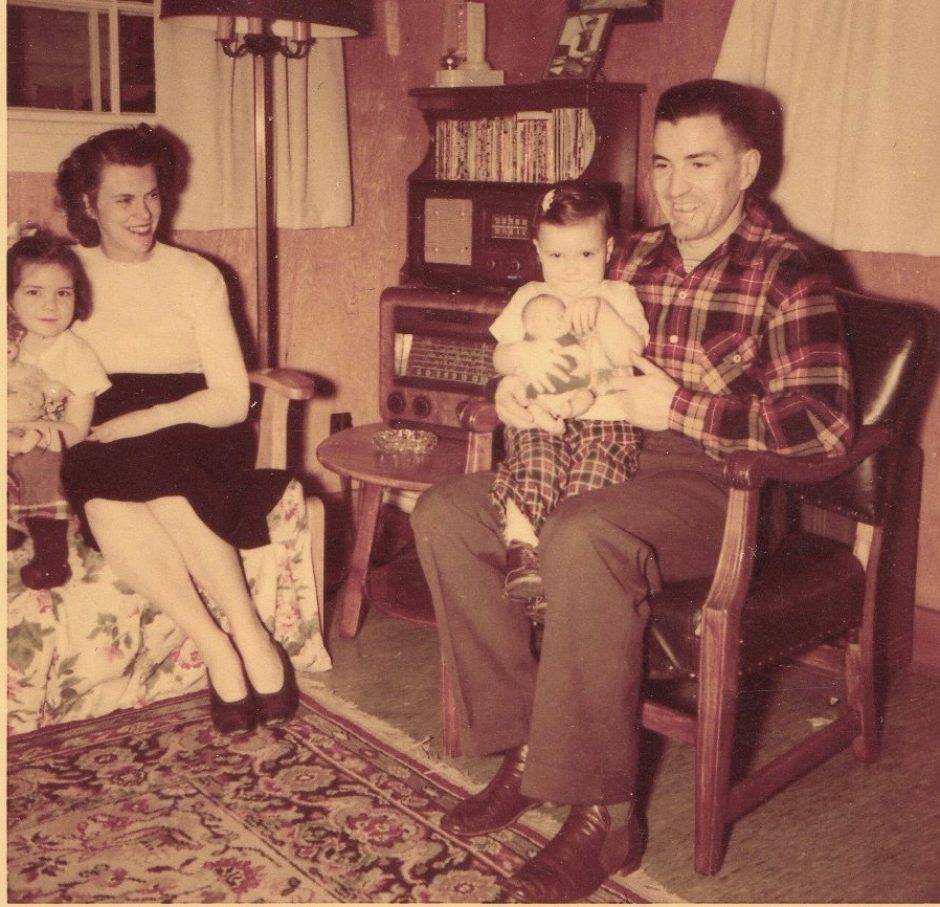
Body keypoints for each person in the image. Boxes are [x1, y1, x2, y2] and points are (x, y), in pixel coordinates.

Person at [411, 78, 854, 902]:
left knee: (581, 533)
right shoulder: (632, 252)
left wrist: (679, 405)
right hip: (592, 447)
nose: (675, 185)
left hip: (713, 483)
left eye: (699, 163)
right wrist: (514, 389)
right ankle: (528, 750)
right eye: (661, 163)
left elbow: (823, 426)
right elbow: (547, 327)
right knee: (445, 513)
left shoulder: (788, 271)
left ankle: (605, 815)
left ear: (748, 166)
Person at [56, 124, 298, 735]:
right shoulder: (65, 275)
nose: (144, 214)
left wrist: (154, 416)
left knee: (161, 474)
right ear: (88, 205)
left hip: (191, 418)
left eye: (153, 196)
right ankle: (217, 646)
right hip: (102, 419)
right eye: (124, 200)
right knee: (105, 498)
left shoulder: (197, 275)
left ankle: (250, 631)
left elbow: (230, 396)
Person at [488, 182, 649, 602]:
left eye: (586, 254)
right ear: (538, 251)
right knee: (536, 465)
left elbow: (631, 354)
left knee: (590, 490)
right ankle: (522, 550)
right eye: (557, 255)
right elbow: (499, 358)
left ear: (608, 250)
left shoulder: (618, 296)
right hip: (540, 416)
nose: (571, 269)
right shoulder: (530, 296)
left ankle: (559, 581)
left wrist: (601, 314)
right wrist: (519, 354)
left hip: (607, 424)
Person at [7, 232, 111, 589]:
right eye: (34, 292)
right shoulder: (9, 345)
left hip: (52, 449)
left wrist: (26, 430)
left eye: (62, 293)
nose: (50, 306)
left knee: (39, 463)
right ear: (9, 298)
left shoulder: (77, 355)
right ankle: (11, 526)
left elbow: (77, 428)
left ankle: (51, 556)